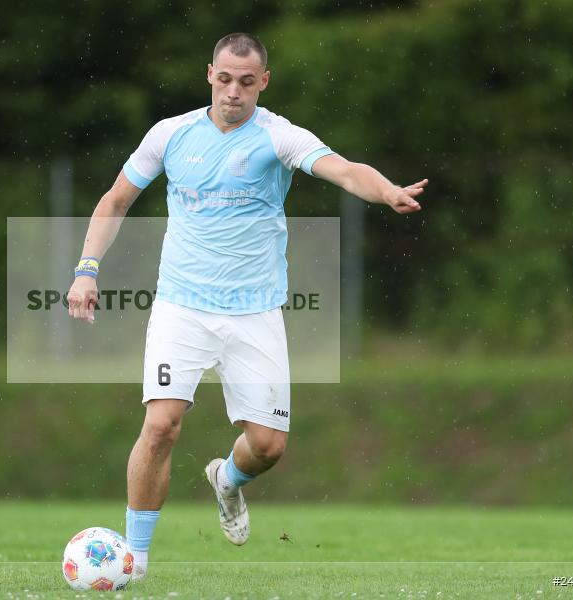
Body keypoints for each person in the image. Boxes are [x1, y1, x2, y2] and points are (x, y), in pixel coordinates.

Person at [66, 32, 427, 580]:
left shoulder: (278, 137)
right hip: (180, 307)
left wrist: (386, 190)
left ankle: (228, 481)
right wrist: (86, 269)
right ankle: (134, 560)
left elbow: (346, 170)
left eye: (247, 81)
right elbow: (116, 199)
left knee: (268, 446)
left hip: (254, 311)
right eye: (225, 78)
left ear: (263, 82)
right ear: (209, 74)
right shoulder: (170, 135)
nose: (234, 91)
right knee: (161, 423)